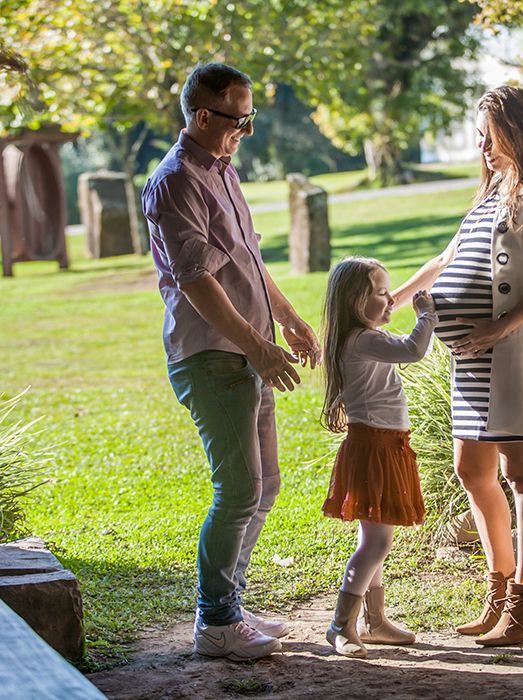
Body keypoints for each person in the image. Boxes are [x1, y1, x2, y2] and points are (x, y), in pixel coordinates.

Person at [391, 86, 523, 646]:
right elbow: (446, 260)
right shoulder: (487, 196)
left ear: (518, 133)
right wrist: (396, 298)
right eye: (479, 136)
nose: (481, 146)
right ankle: (500, 585)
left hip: (515, 356)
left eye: (489, 135)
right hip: (473, 361)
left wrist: (500, 327)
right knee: (472, 471)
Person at [142, 63, 321, 661]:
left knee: (264, 485)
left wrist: (288, 318)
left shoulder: (224, 170)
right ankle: (215, 621)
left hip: (248, 351)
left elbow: (247, 262)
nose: (246, 129)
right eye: (239, 118)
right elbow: (197, 283)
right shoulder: (175, 183)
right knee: (239, 490)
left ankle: (231, 606)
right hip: (213, 357)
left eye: (250, 117)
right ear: (203, 116)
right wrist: (257, 345)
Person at [319, 257, 437, 658]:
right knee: (377, 543)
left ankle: (374, 621)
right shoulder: (363, 339)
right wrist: (427, 316)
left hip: (383, 446)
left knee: (373, 540)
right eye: (382, 294)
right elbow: (413, 350)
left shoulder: (355, 338)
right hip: (375, 449)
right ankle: (342, 626)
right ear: (355, 301)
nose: (391, 301)